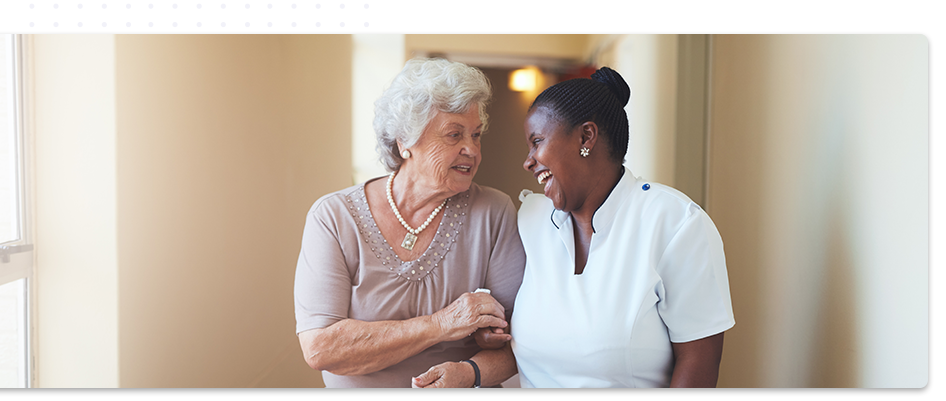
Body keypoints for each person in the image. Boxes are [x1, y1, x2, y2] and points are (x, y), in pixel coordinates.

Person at [293, 58, 525, 388]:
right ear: (405, 142)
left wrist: (469, 373)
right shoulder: (333, 217)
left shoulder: (493, 212)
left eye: (476, 135)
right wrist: (441, 325)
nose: (471, 150)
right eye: (454, 135)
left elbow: (520, 341)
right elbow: (320, 348)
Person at [508, 66, 735, 387]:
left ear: (586, 136)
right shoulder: (530, 218)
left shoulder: (676, 223)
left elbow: (699, 362)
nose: (528, 160)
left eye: (537, 141)